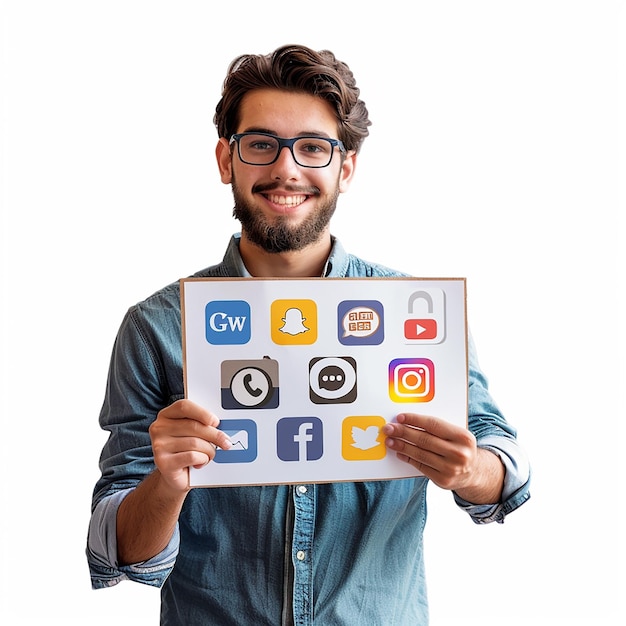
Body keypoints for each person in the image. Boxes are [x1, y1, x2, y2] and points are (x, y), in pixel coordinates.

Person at [87, 44, 531, 625]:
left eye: (313, 148)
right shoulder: (157, 328)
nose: (286, 169)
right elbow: (121, 550)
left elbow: (505, 467)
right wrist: (167, 484)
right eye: (261, 144)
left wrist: (470, 470)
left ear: (345, 168)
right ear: (227, 160)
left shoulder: (416, 313)